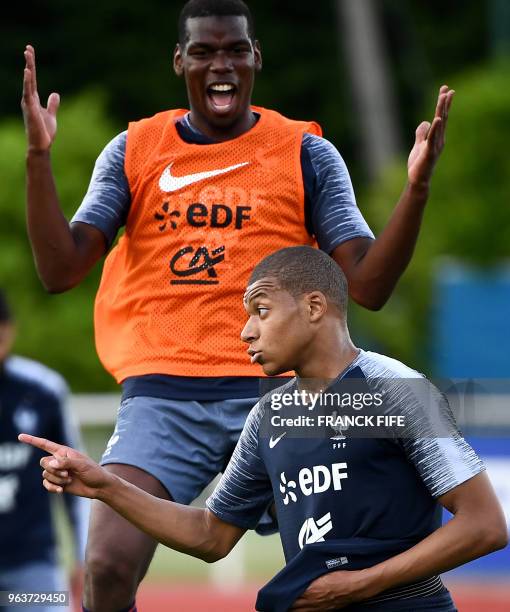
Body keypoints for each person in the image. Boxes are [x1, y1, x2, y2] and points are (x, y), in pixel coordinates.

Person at [21, 0, 454, 609]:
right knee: (107, 562)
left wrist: (417, 189)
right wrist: (39, 159)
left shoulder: (305, 154)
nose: (219, 64)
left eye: (234, 50)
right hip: (164, 394)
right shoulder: (133, 150)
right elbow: (59, 269)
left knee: (346, 562)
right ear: (180, 62)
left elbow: (369, 286)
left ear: (255, 59)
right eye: (203, 52)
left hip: (279, 393)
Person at [20, 246, 508, 611]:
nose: (245, 331)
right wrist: (106, 486)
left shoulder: (395, 389)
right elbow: (211, 534)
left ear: (314, 307)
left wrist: (359, 585)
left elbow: (485, 525)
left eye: (261, 310)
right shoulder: (268, 417)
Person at [0, 289, 89, 612]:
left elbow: (75, 479)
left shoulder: (43, 389)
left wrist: (84, 554)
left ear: (9, 329)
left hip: (33, 566)